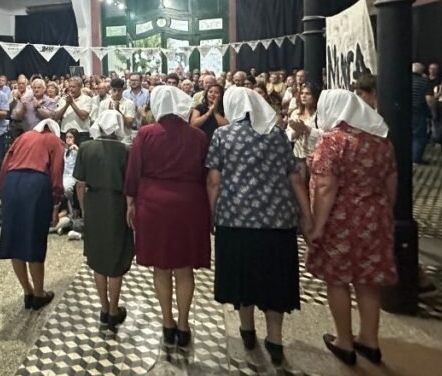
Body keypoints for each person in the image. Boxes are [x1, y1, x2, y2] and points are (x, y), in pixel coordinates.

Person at [207, 87, 310, 367]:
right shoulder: (276, 135)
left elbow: (214, 180)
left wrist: (211, 213)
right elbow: (295, 178)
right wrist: (306, 215)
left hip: (235, 220)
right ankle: (275, 340)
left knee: (243, 276)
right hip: (277, 222)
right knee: (275, 278)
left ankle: (247, 330)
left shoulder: (223, 135)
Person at [306, 89, 397, 366]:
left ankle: (344, 341)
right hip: (375, 216)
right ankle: (369, 340)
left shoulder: (333, 142)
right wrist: (383, 213)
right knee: (368, 279)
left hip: (341, 218)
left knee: (338, 279)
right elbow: (392, 181)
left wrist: (317, 226)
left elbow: (325, 186)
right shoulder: (381, 142)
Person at [125, 86, 209, 362]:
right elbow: (206, 173)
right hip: (189, 205)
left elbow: (133, 172)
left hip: (154, 205)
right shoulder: (198, 136)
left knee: (161, 268)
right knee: (184, 269)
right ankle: (184, 325)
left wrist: (130, 204)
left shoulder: (145, 134)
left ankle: (167, 322)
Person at [0, 119, 65, 312]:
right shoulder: (54, 141)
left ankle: (27, 291)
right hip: (36, 185)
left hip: (12, 182)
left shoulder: (23, 137)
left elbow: (5, 164)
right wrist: (56, 204)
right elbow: (56, 173)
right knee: (34, 239)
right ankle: (39, 294)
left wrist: (3, 191)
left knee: (14, 239)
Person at [74, 110, 133, 332]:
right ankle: (114, 311)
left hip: (95, 203)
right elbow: (130, 185)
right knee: (116, 258)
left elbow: (80, 183)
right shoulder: (126, 150)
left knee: (98, 257)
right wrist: (130, 207)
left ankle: (104, 307)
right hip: (117, 205)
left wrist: (83, 207)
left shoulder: (86, 147)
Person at [286, 82, 322, 184]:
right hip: (298, 157)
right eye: (302, 93)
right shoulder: (295, 113)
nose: (304, 96)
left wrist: (306, 128)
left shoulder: (319, 114)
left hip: (316, 158)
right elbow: (288, 136)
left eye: (308, 93)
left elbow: (324, 135)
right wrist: (296, 131)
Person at [56, 78, 94, 143]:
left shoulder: (87, 99)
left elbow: (83, 116)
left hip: (82, 133)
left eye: (73, 87)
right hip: (65, 132)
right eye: (70, 87)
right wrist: (66, 105)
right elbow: (56, 117)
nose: (71, 89)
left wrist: (72, 103)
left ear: (80, 87)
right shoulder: (63, 99)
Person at [411, 63, 435, 165]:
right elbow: (429, 99)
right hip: (418, 111)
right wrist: (432, 112)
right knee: (419, 136)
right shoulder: (424, 81)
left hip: (404, 111)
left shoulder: (403, 79)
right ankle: (416, 158)